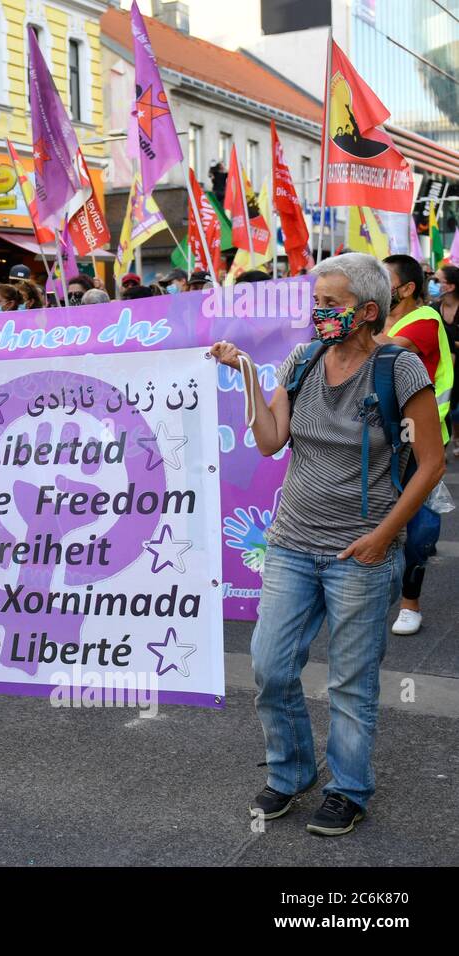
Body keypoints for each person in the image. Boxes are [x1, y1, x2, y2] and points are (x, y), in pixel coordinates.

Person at [212, 253, 444, 836]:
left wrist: (382, 537)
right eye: (315, 302)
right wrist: (246, 375)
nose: (317, 313)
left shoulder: (401, 369)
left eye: (330, 304)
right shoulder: (303, 360)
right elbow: (269, 442)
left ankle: (348, 789)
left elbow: (432, 462)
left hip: (360, 554)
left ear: (368, 312)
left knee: (350, 679)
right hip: (291, 542)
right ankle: (291, 774)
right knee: (269, 664)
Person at [380, 254, 452, 637]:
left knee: (421, 530)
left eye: (383, 278)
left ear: (407, 289)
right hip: (378, 439)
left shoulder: (424, 320)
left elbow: (385, 346)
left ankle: (410, 601)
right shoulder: (372, 318)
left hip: (420, 442)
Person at [431, 264, 459, 454]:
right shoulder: (432, 310)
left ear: (450, 286)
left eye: (436, 280)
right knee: (448, 408)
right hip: (444, 369)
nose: (431, 284)